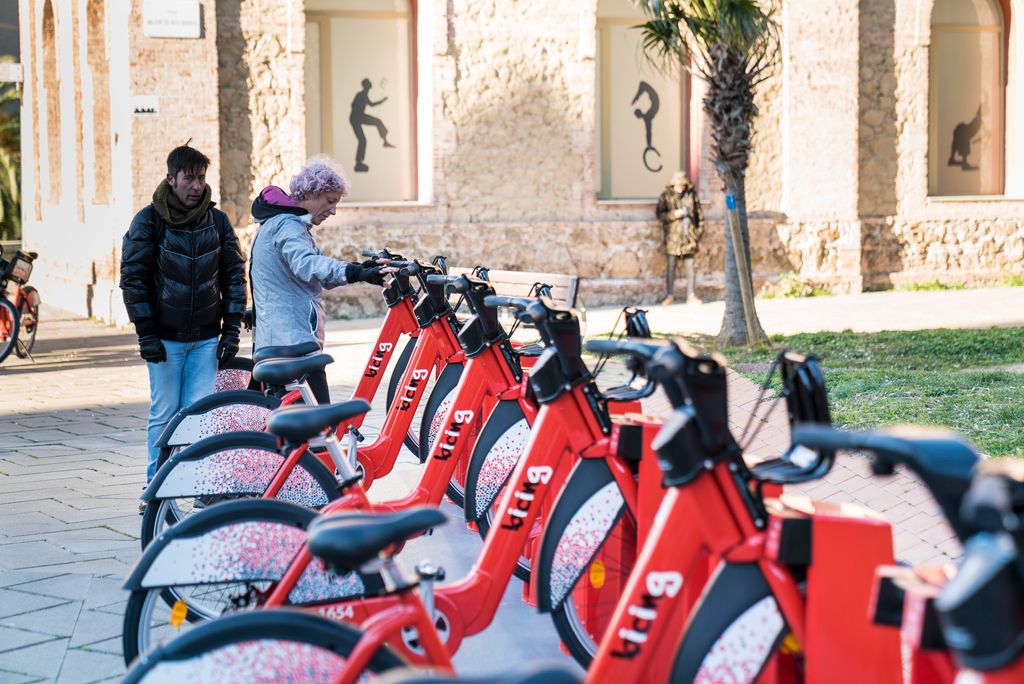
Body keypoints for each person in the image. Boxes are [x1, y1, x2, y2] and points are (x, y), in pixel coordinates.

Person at [120, 144, 247, 509]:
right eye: (189, 177)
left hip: (206, 338)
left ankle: (198, 486)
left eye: (201, 178)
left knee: (198, 415)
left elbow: (234, 276)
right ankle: (157, 489)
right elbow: (134, 278)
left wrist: (231, 328)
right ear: (171, 178)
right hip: (165, 339)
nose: (196, 185)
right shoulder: (148, 221)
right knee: (165, 412)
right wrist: (145, 332)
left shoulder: (217, 221)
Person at [249, 156, 387, 404]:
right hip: (292, 345)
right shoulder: (287, 225)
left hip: (285, 339)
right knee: (321, 427)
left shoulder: (284, 223)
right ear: (311, 192)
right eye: (330, 201)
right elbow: (308, 265)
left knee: (304, 427)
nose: (333, 210)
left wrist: (358, 269)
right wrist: (356, 273)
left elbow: (316, 273)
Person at [656, 170, 703, 305]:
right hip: (673, 239)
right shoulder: (666, 196)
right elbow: (660, 215)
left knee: (691, 268)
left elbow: (700, 216)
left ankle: (691, 295)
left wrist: (697, 233)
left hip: (689, 238)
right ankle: (669, 295)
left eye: (682, 185)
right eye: (678, 185)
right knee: (671, 267)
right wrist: (674, 214)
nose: (680, 187)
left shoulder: (691, 196)